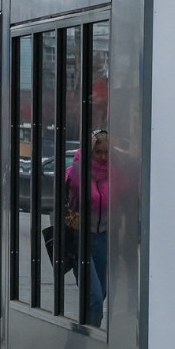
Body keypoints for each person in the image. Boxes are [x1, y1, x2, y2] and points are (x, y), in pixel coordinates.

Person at [66, 129, 110, 327]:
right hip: (81, 238)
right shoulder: (79, 170)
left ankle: (82, 336)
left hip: (103, 237)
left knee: (100, 294)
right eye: (98, 152)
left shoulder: (114, 173)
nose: (102, 157)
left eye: (106, 152)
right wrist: (84, 154)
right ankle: (90, 340)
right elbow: (72, 181)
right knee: (94, 296)